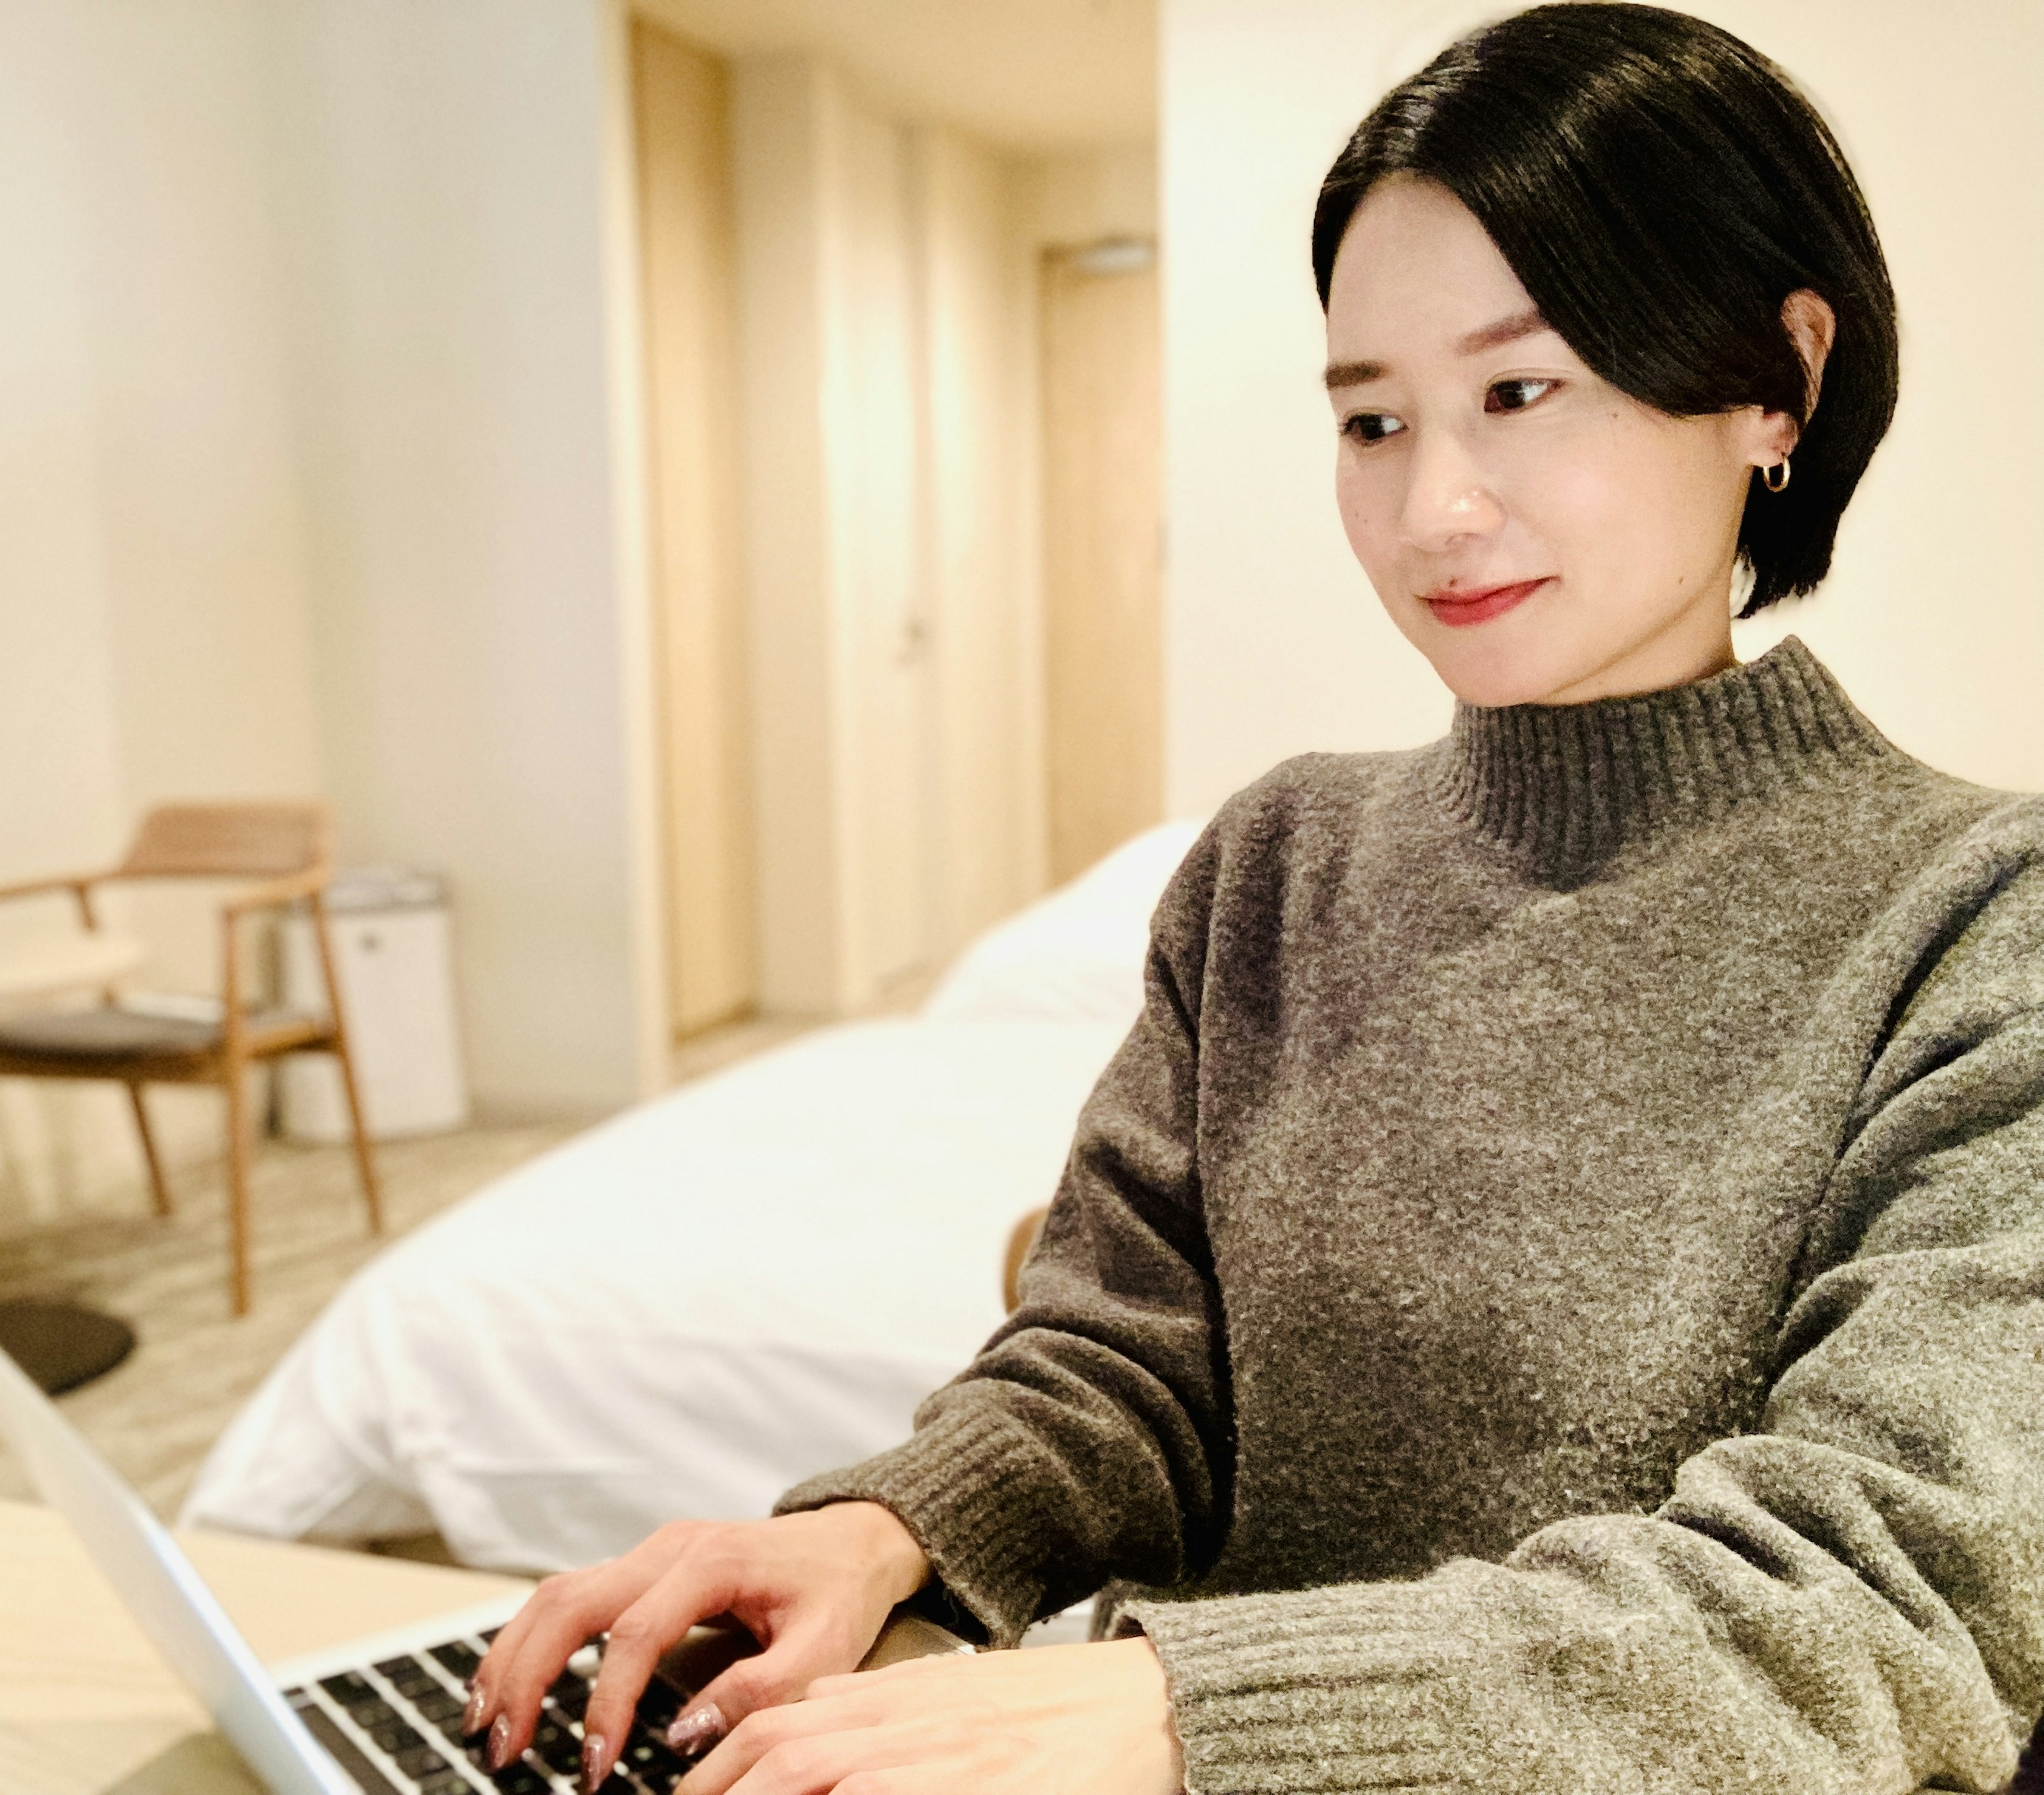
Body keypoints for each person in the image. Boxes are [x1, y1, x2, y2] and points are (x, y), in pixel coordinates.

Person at [470, 6, 2044, 1790]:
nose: (1433, 507)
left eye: (1520, 393)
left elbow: (1872, 1605)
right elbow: (1126, 1360)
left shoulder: (1984, 922)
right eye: (1372, 420)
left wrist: (1177, 1707)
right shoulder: (1278, 861)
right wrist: (893, 1527)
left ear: (1780, 378)